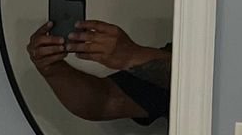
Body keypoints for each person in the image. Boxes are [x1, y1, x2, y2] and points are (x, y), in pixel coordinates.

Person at [25, 18, 171, 124]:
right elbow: (105, 102)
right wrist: (52, 69)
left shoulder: (187, 57)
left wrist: (131, 57)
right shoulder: (183, 47)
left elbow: (193, 85)